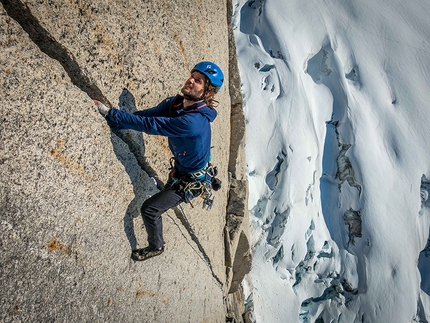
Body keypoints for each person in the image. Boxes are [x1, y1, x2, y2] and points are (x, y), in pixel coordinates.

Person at [94, 61, 224, 261]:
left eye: (198, 81)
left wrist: (110, 113)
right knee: (161, 197)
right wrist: (120, 121)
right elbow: (146, 116)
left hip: (191, 182)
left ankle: (157, 247)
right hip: (183, 171)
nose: (190, 80)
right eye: (192, 76)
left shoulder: (193, 122)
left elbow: (151, 125)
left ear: (207, 93)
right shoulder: (176, 104)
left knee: (150, 209)